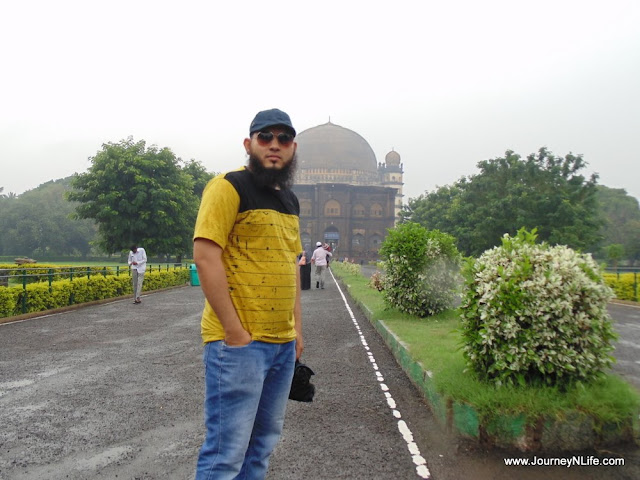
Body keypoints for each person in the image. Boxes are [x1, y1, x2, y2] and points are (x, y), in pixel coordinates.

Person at [192, 108, 304, 480]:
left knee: (261, 449)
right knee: (226, 452)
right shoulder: (229, 186)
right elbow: (206, 257)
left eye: (283, 139)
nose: (275, 145)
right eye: (265, 137)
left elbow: (291, 266)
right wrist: (234, 331)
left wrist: (296, 331)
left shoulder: (290, 200)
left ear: (293, 147)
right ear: (249, 144)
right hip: (239, 344)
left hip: (281, 344)